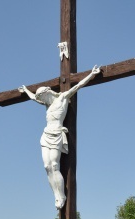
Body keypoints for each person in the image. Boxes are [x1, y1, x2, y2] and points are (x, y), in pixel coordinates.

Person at [19, 66, 102, 209]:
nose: (40, 99)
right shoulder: (47, 104)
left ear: (47, 93)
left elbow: (78, 85)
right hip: (46, 135)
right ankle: (56, 195)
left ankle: (61, 195)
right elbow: (33, 97)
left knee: (55, 165)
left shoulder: (62, 98)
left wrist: (91, 74)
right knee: (47, 167)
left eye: (41, 97)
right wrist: (26, 90)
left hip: (57, 133)